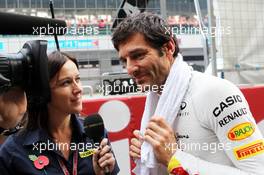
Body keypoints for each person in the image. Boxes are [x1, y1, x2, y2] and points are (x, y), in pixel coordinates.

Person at [112, 12, 264, 175]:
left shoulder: (216, 92)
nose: (130, 68)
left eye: (138, 55)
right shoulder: (158, 99)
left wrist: (174, 159)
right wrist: (150, 155)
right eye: (124, 61)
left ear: (168, 48)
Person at [0, 51, 120, 175]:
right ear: (44, 92)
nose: (78, 89)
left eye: (77, 79)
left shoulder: (94, 133)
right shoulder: (13, 150)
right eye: (66, 82)